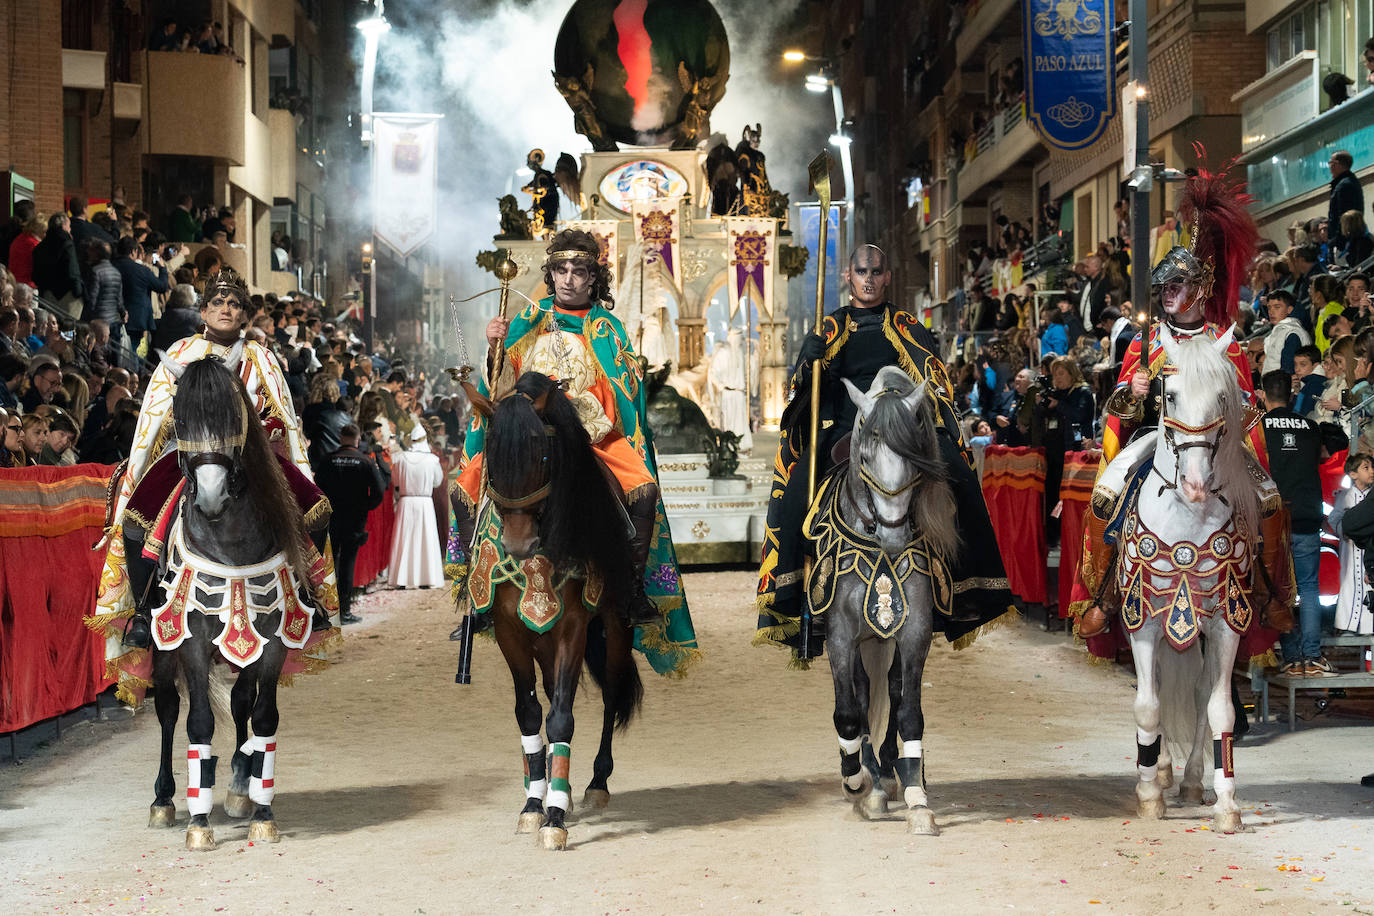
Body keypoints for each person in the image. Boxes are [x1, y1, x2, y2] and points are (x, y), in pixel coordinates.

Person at [756, 242, 1013, 662]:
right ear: (849, 277)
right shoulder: (831, 327)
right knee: (796, 486)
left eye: (877, 272)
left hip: (905, 425)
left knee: (960, 473)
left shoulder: (907, 324)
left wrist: (930, 424)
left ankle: (969, 588)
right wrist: (809, 363)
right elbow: (806, 394)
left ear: (887, 277)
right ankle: (795, 599)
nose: (870, 279)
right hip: (845, 427)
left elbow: (933, 381)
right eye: (862, 272)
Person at [454, 228, 697, 668]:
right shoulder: (527, 320)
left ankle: (631, 589)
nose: (569, 279)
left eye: (579, 271)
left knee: (642, 490)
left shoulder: (607, 328)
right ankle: (476, 590)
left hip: (590, 434)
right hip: (529, 437)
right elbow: (499, 385)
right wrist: (494, 344)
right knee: (464, 485)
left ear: (593, 278)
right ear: (551, 274)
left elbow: (625, 393)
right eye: (561, 270)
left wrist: (579, 404)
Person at [1074, 165, 1290, 640]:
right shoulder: (1144, 343)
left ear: (1198, 289)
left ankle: (1270, 592)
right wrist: (1130, 395)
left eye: (1176, 287)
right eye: (1164, 288)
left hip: (1216, 440)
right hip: (1160, 438)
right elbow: (1121, 413)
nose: (1168, 295)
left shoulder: (1223, 341)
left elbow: (1247, 404)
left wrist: (1250, 450)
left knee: (1271, 500)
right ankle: (1105, 596)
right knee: (1107, 494)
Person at [93, 268, 333, 648]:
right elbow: (156, 419)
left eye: (234, 304)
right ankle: (142, 609)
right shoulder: (180, 354)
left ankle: (305, 592)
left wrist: (258, 427)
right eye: (217, 303)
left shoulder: (262, 359)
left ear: (245, 315)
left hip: (252, 456)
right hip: (191, 453)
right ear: (202, 312)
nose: (225, 309)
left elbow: (280, 419)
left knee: (316, 506)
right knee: (137, 514)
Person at [1261, 369, 1332, 676]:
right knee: (1309, 588)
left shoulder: (1258, 428)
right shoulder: (1310, 426)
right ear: (1291, 395)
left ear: (1263, 395)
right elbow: (1334, 444)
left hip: (1273, 520)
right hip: (1306, 515)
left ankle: (1291, 658)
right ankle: (1313, 657)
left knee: (1279, 589)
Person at [315, 423, 387, 623]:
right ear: (357, 440)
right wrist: (365, 506)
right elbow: (380, 490)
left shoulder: (328, 460)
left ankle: (328, 611)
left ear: (340, 438)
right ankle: (345, 611)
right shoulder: (364, 461)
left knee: (330, 563)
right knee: (347, 563)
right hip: (355, 519)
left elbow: (317, 487)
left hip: (332, 517)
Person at [387, 425, 446, 589]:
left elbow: (396, 482)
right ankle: (425, 577)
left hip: (406, 502)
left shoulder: (400, 458)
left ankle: (402, 579)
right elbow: (437, 481)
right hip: (425, 503)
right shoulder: (432, 460)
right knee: (425, 539)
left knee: (404, 540)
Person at [1331, 452, 1374, 636]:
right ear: (1353, 474)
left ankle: (1367, 627)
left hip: (1369, 552)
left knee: (1368, 587)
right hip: (1350, 552)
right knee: (1349, 586)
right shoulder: (1345, 496)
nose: (1372, 471)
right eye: (1366, 468)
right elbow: (1334, 519)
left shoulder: (1371, 496)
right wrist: (1344, 531)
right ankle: (1347, 625)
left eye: (1372, 467)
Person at [113, 236, 170, 356]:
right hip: (137, 318)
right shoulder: (142, 270)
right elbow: (161, 287)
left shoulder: (112, 266)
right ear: (134, 251)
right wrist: (163, 269)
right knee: (134, 352)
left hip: (112, 315)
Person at [32, 213, 83, 318]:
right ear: (63, 226)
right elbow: (72, 270)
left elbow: (36, 273)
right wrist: (78, 291)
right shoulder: (67, 243)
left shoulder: (40, 247)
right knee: (69, 328)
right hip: (67, 294)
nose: (70, 229)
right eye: (69, 226)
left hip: (47, 294)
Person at [1263, 289, 1311, 374]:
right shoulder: (1280, 330)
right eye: (1269, 307)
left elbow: (1288, 369)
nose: (1271, 312)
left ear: (1289, 309)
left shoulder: (1292, 333)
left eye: (1277, 307)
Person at [1329, 150, 1364, 253]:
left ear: (1337, 164)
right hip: (1345, 240)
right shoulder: (1347, 182)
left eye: (1331, 163)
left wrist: (1337, 242)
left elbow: (1343, 216)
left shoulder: (1344, 185)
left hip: (1344, 243)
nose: (1330, 167)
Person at [150, 282, 202, 352]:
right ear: (189, 297)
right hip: (186, 355)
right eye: (194, 293)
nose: (196, 295)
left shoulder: (165, 316)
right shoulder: (196, 318)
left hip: (163, 355)